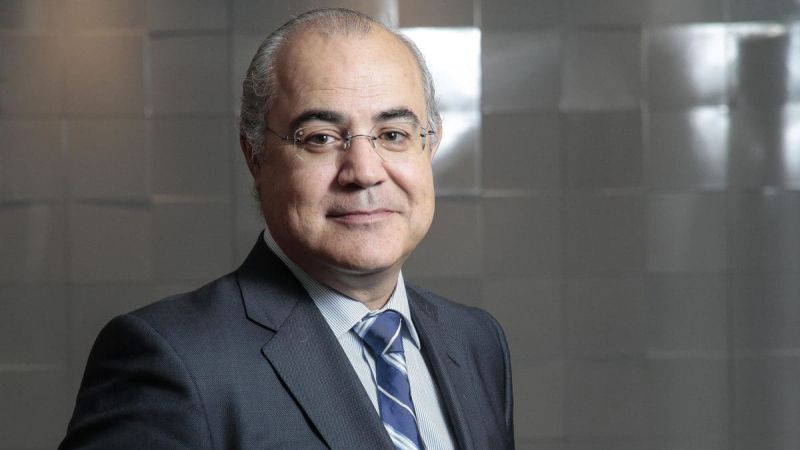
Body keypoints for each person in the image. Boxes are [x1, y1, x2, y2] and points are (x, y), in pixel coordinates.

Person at [60, 8, 513, 450]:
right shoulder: (172, 360)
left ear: (430, 144)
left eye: (393, 134)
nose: (364, 172)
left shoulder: (476, 341)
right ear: (255, 156)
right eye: (320, 138)